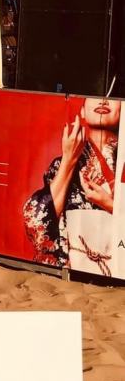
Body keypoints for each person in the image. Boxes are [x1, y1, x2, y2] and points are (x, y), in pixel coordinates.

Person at [23, 97, 119, 268]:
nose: (104, 100)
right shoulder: (63, 164)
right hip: (73, 268)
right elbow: (36, 224)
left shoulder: (122, 164)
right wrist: (69, 160)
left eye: (113, 96)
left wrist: (111, 205)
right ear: (82, 110)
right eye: (95, 94)